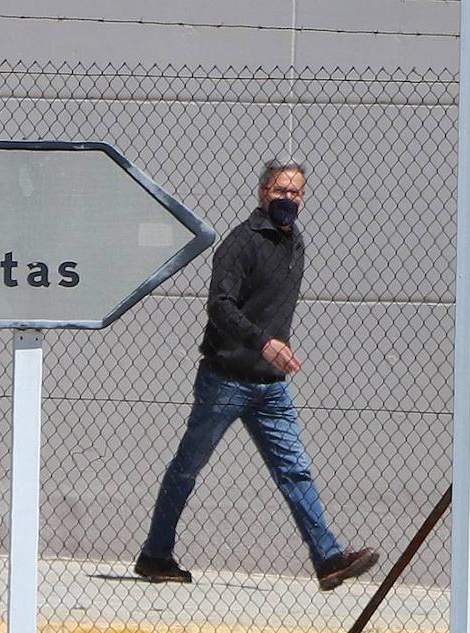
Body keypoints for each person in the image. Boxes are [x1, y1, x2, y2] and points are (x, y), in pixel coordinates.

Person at [134, 159, 379, 591]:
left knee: (295, 471)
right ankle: (156, 554)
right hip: (225, 379)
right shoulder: (240, 244)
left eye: (296, 193)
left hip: (271, 388)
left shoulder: (295, 242)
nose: (289, 199)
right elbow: (219, 305)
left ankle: (328, 560)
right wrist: (264, 342)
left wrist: (272, 354)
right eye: (281, 191)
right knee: (187, 468)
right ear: (263, 193)